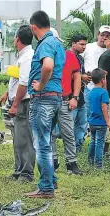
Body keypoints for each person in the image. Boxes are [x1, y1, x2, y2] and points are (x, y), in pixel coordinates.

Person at [24, 10, 65, 199]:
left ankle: (46, 187)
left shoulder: (45, 44)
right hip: (56, 97)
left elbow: (47, 66)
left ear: (34, 27)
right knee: (47, 141)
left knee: (41, 144)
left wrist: (40, 84)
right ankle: (52, 179)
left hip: (43, 98)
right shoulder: (57, 43)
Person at [0, 25, 36, 183]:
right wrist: (7, 93)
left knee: (24, 137)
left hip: (24, 102)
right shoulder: (21, 56)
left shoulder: (28, 57)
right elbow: (17, 79)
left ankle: (26, 173)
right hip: (17, 100)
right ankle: (19, 169)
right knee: (18, 138)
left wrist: (15, 104)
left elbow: (24, 83)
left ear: (18, 39)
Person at [52, 49, 83, 176]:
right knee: (49, 132)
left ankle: (71, 162)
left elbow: (77, 76)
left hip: (64, 98)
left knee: (68, 133)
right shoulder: (43, 52)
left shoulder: (68, 55)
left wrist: (75, 97)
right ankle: (53, 160)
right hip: (47, 98)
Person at [83, 25, 110, 118]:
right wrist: (82, 75)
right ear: (98, 35)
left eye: (107, 36)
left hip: (104, 87)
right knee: (87, 112)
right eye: (103, 35)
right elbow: (78, 61)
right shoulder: (88, 47)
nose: (104, 38)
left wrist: (109, 50)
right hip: (89, 86)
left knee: (102, 113)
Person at [88, 68, 110, 168]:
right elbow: (104, 107)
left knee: (93, 140)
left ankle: (90, 160)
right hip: (101, 122)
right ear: (102, 80)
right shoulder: (104, 93)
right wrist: (108, 121)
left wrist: (104, 76)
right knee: (100, 142)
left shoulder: (91, 92)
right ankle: (98, 164)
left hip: (92, 121)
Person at [71, 34, 88, 153]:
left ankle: (78, 147)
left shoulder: (81, 58)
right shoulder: (68, 57)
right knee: (69, 124)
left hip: (81, 95)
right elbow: (66, 75)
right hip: (71, 95)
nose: (84, 47)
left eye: (85, 44)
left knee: (82, 123)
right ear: (73, 43)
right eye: (81, 44)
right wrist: (82, 77)